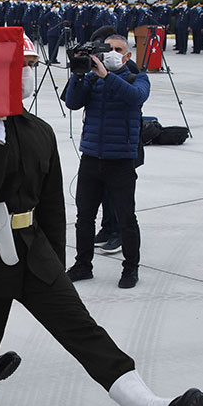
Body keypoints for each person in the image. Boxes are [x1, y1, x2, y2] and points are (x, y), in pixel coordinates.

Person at [0, 33, 203, 406]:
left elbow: (51, 204)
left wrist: (55, 262)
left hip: (33, 250)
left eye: (32, 66)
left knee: (82, 328)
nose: (29, 74)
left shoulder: (40, 130)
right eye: (21, 66)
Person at [64, 33, 147, 288]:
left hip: (120, 161)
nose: (112, 52)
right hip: (91, 158)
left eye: (118, 49)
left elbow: (135, 98)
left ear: (127, 55)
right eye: (107, 48)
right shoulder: (92, 77)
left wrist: (107, 76)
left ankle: (130, 269)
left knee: (126, 218)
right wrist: (78, 75)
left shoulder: (138, 78)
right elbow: (72, 103)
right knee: (84, 217)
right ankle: (83, 264)